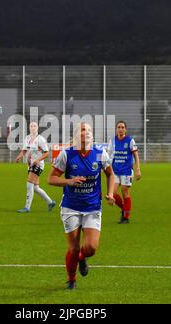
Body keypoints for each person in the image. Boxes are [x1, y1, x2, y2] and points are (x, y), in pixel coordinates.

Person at [48, 123, 115, 290]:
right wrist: (69, 181)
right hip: (71, 207)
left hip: (92, 207)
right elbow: (51, 178)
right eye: (83, 130)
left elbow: (110, 174)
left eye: (89, 130)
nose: (87, 133)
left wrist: (111, 193)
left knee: (91, 248)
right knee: (73, 247)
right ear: (76, 135)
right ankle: (71, 279)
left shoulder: (100, 154)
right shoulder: (67, 154)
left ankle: (82, 258)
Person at [15, 121, 55, 213]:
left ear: (37, 128)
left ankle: (27, 207)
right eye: (31, 126)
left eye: (35, 126)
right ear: (29, 128)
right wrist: (19, 156)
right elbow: (24, 150)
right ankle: (50, 202)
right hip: (30, 165)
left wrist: (38, 160)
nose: (33, 127)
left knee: (29, 185)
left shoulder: (41, 139)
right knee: (35, 188)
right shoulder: (27, 138)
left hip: (37, 165)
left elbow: (47, 153)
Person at [107, 121, 141, 224]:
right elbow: (108, 156)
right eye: (119, 127)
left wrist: (138, 169)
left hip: (126, 171)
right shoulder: (112, 141)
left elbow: (136, 155)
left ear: (125, 129)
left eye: (122, 127)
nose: (120, 129)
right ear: (116, 129)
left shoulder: (130, 140)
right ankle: (125, 210)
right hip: (115, 171)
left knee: (124, 190)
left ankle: (125, 217)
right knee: (113, 193)